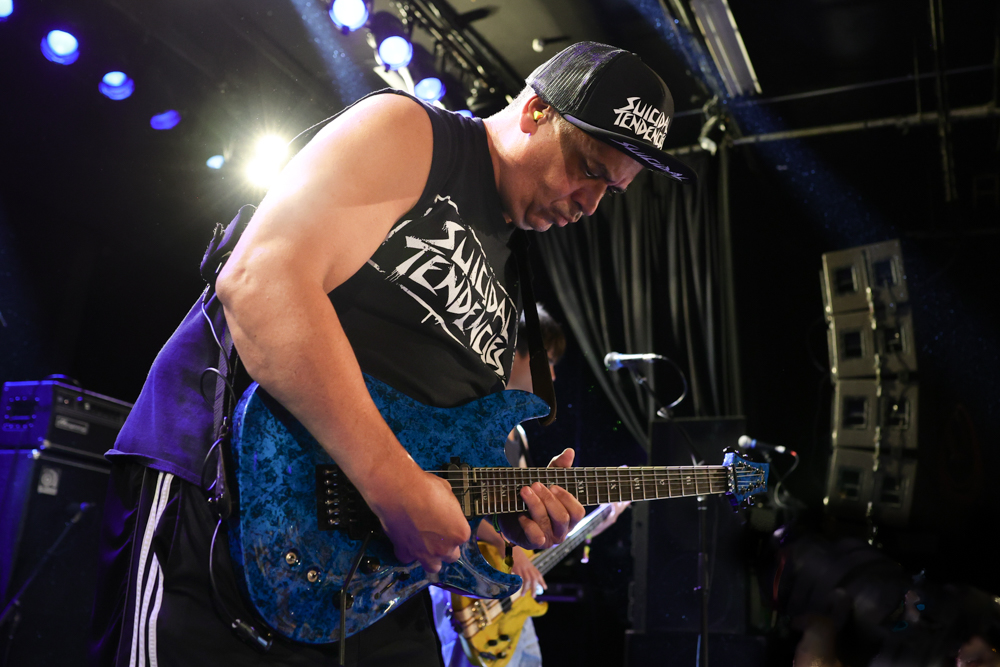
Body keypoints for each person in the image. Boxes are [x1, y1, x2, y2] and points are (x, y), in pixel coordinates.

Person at [90, 41, 693, 667]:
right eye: (590, 168)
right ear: (536, 110)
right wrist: (393, 480)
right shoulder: (413, 133)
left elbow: (430, 445)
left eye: (612, 190)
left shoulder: (512, 270)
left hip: (364, 577)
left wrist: (499, 512)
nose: (591, 203)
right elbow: (260, 282)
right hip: (223, 497)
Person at [431, 306, 629, 667]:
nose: (552, 374)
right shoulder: (466, 422)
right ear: (513, 353)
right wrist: (507, 546)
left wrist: (592, 523)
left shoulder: (518, 435)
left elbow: (523, 521)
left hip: (513, 603)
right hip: (469, 591)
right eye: (547, 360)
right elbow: (447, 501)